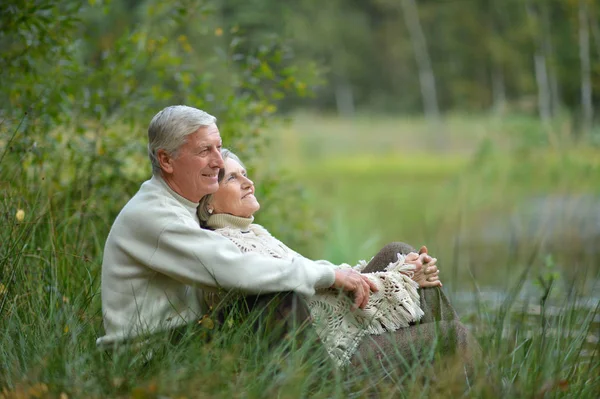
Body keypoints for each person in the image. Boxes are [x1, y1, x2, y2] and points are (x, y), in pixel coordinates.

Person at [97, 105, 399, 349]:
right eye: (205, 151)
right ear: (166, 160)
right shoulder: (155, 216)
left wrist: (348, 274)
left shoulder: (181, 207)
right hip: (152, 355)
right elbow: (237, 270)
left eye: (219, 148)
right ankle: (320, 382)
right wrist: (331, 275)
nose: (218, 161)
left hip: (191, 339)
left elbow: (261, 263)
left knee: (396, 253)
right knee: (273, 292)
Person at [198, 149, 478, 368]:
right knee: (452, 335)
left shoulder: (255, 235)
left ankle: (448, 374)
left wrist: (402, 271)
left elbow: (320, 279)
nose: (249, 183)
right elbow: (315, 301)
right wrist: (402, 279)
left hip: (325, 329)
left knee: (398, 252)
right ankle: (463, 373)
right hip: (328, 354)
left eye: (245, 173)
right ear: (208, 201)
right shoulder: (230, 246)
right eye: (232, 178)